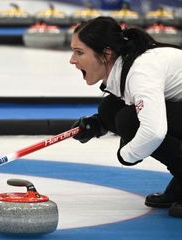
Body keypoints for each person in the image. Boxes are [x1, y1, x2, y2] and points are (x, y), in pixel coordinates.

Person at [69, 16, 182, 218]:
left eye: (79, 52)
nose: (72, 60)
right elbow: (117, 106)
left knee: (130, 121)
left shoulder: (140, 72)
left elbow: (154, 132)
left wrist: (126, 155)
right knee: (110, 108)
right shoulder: (127, 66)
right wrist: (98, 124)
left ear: (106, 53)